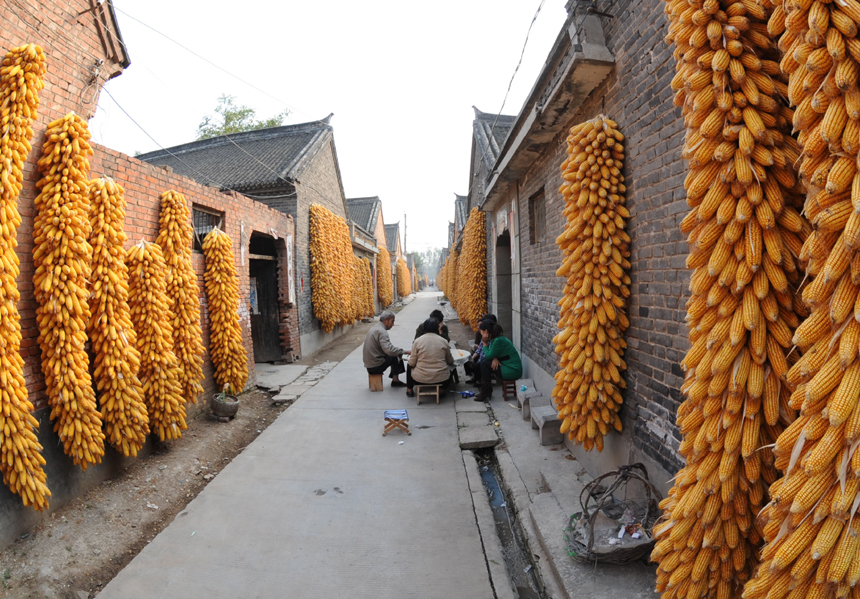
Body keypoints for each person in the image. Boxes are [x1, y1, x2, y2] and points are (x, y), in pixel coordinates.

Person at [406, 317, 454, 398]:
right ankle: (442, 389)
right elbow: (450, 361)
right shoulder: (444, 341)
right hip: (441, 379)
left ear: (424, 328)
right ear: (437, 328)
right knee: (452, 367)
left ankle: (409, 390)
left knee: (409, 365)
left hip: (420, 379)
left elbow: (412, 362)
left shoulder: (418, 341)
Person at [475, 321, 522, 402]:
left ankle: (486, 392)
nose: (480, 333)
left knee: (484, 363)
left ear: (486, 331)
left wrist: (485, 343)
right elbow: (492, 353)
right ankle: (486, 391)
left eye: (481, 331)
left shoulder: (498, 341)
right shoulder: (497, 339)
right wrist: (494, 358)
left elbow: (488, 355)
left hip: (513, 370)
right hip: (507, 366)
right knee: (484, 361)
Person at [363, 310, 410, 388]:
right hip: (375, 366)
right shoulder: (382, 332)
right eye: (392, 321)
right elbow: (389, 350)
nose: (393, 324)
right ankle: (396, 380)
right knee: (396, 355)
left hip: (369, 364)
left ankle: (395, 379)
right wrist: (405, 352)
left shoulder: (375, 328)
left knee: (395, 353)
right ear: (385, 320)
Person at [464, 314, 497, 385]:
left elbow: (489, 355)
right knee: (467, 359)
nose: (479, 330)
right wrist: (472, 358)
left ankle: (481, 381)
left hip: (487, 360)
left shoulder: (494, 339)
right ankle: (475, 377)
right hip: (482, 357)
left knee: (480, 364)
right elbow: (479, 350)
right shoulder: (483, 336)